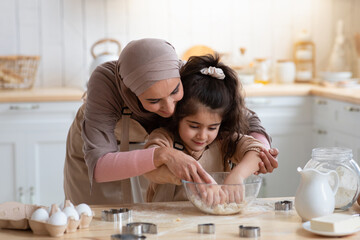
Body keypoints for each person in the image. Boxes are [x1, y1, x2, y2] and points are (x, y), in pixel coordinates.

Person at [63, 38, 278, 205]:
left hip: (147, 151)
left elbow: (243, 116)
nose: (170, 109)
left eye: (175, 92)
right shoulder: (105, 84)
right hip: (99, 151)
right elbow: (101, 167)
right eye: (154, 100)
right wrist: (165, 155)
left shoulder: (182, 71)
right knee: (100, 216)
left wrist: (262, 152)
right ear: (131, 94)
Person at [143, 54, 267, 203]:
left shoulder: (224, 140)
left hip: (212, 220)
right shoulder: (164, 138)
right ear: (177, 117)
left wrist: (237, 175)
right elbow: (147, 167)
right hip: (166, 219)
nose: (202, 136)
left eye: (212, 128)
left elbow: (258, 151)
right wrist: (191, 178)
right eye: (194, 126)